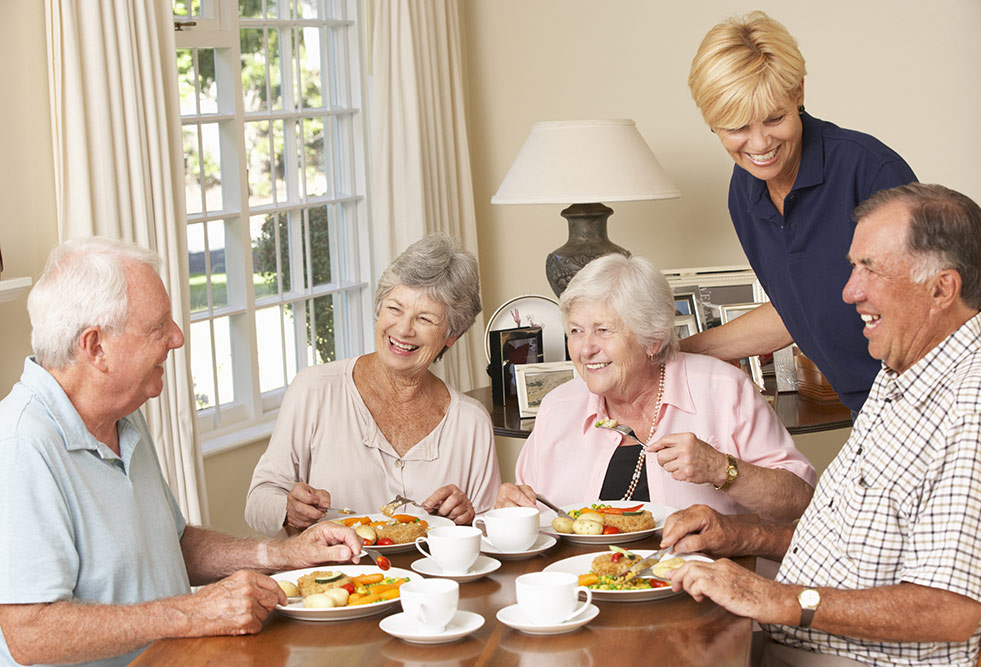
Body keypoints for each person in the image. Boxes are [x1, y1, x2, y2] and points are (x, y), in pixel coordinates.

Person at [661, 184, 981, 667]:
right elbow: (853, 547)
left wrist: (775, 600)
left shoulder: (978, 406)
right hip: (795, 644)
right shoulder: (899, 372)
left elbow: (948, 610)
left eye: (871, 270)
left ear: (941, 289)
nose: (849, 291)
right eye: (853, 266)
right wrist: (742, 537)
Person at [0, 238, 363, 667]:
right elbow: (31, 633)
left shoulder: (123, 415)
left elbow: (173, 545)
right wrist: (194, 611)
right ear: (96, 347)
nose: (177, 338)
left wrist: (283, 555)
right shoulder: (21, 446)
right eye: (158, 327)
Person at [681, 11, 981, 414]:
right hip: (868, 409)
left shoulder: (868, 170)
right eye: (736, 128)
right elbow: (799, 307)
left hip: (939, 400)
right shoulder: (743, 192)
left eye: (775, 118)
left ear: (798, 91)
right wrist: (678, 352)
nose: (759, 144)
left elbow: (947, 289)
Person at [496, 254, 815, 522]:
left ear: (653, 340)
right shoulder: (558, 407)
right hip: (580, 587)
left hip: (701, 584)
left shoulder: (724, 391)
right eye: (576, 331)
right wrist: (512, 507)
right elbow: (528, 508)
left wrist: (721, 469)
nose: (585, 349)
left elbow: (800, 500)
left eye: (604, 330)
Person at [246, 234, 501, 534]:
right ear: (379, 309)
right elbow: (258, 501)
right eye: (395, 308)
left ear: (451, 336)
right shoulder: (315, 390)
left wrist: (468, 519)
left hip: (435, 581)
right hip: (335, 577)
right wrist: (288, 510)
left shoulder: (470, 422)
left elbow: (492, 533)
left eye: (425, 319)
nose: (404, 329)